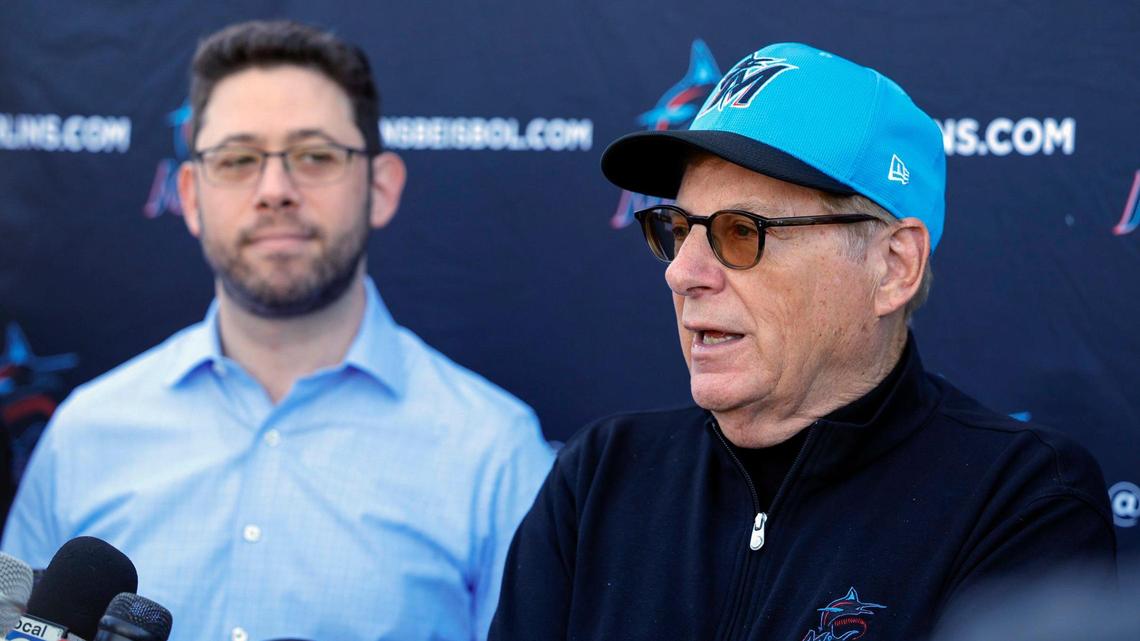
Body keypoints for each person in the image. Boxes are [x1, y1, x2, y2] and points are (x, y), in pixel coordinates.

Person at [489, 42, 1115, 641]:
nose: (680, 273)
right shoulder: (601, 477)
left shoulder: (1020, 501)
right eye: (677, 228)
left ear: (894, 266)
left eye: (742, 231)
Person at [3, 20, 553, 641]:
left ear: (381, 187)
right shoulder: (84, 434)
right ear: (189, 194)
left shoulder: (494, 453)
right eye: (237, 159)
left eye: (315, 156)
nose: (274, 191)